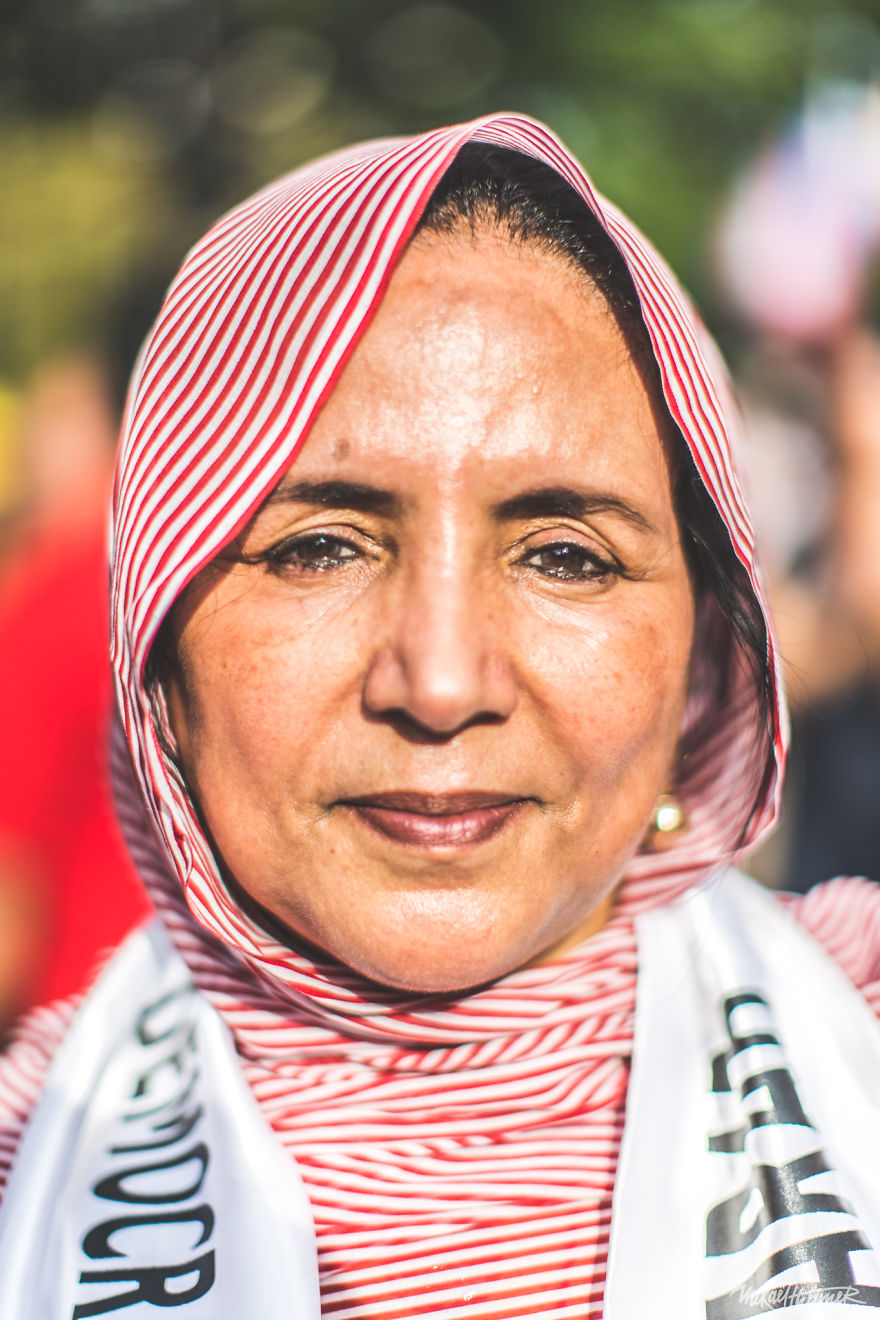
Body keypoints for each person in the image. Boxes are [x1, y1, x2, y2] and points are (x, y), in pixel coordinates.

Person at [1, 113, 880, 1319]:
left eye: (567, 556)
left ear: (703, 659)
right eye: (318, 546)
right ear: (156, 648)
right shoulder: (33, 1165)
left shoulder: (857, 1033)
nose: (443, 681)